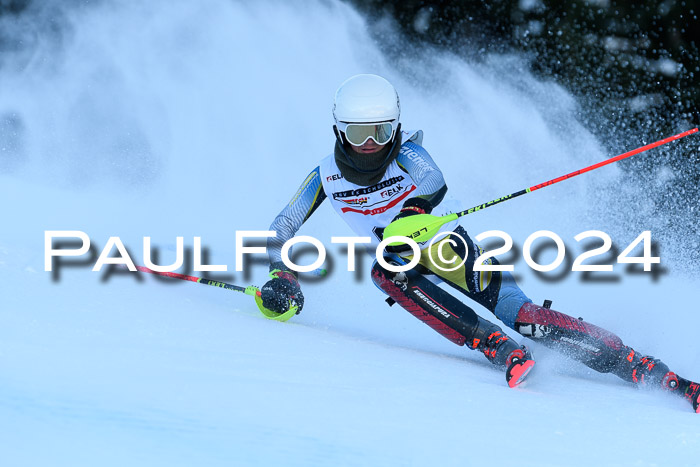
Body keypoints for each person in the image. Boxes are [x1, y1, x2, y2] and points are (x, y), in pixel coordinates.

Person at [260, 74, 700, 410]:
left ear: (396, 126)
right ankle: (493, 344)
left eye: (381, 131)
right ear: (339, 130)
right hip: (400, 262)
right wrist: (283, 273)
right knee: (385, 269)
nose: (371, 144)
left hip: (446, 245)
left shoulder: (406, 153)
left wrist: (414, 210)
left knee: (525, 317)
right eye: (359, 134)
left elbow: (433, 179)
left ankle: (641, 366)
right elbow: (280, 230)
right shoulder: (325, 176)